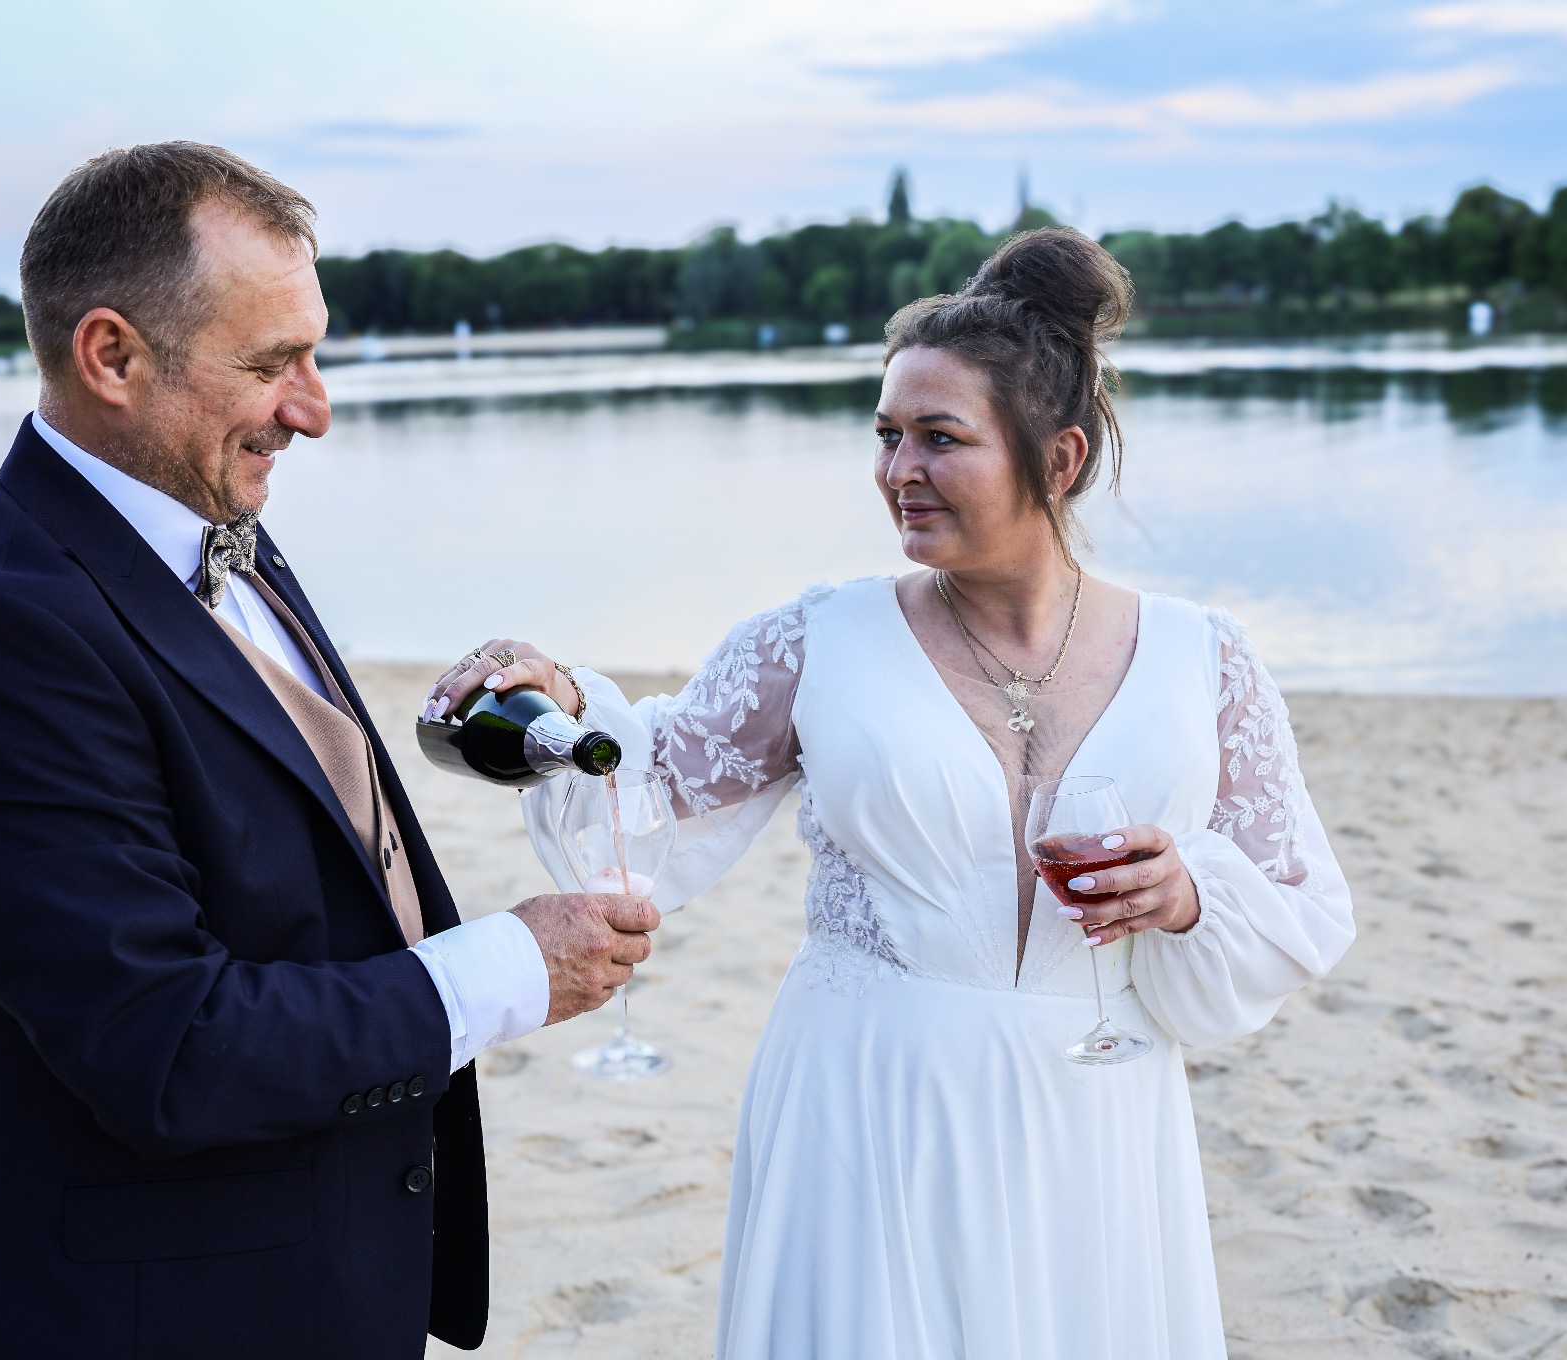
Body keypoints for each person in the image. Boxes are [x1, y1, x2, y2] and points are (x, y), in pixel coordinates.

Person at [427, 228, 1357, 1357]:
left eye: (937, 438)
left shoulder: (1204, 657)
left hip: (1097, 1113)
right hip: (867, 1105)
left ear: (1055, 461)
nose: (897, 471)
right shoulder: (820, 638)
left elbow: (1298, 903)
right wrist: (563, 695)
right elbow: (649, 790)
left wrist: (1186, 892)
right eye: (884, 436)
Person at [0, 142, 656, 1360]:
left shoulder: (202, 506)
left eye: (314, 352)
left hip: (311, 1277)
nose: (314, 406)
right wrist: (507, 968)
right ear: (111, 356)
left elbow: (264, 779)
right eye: (271, 362)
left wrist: (483, 721)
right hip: (130, 1315)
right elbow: (163, 1043)